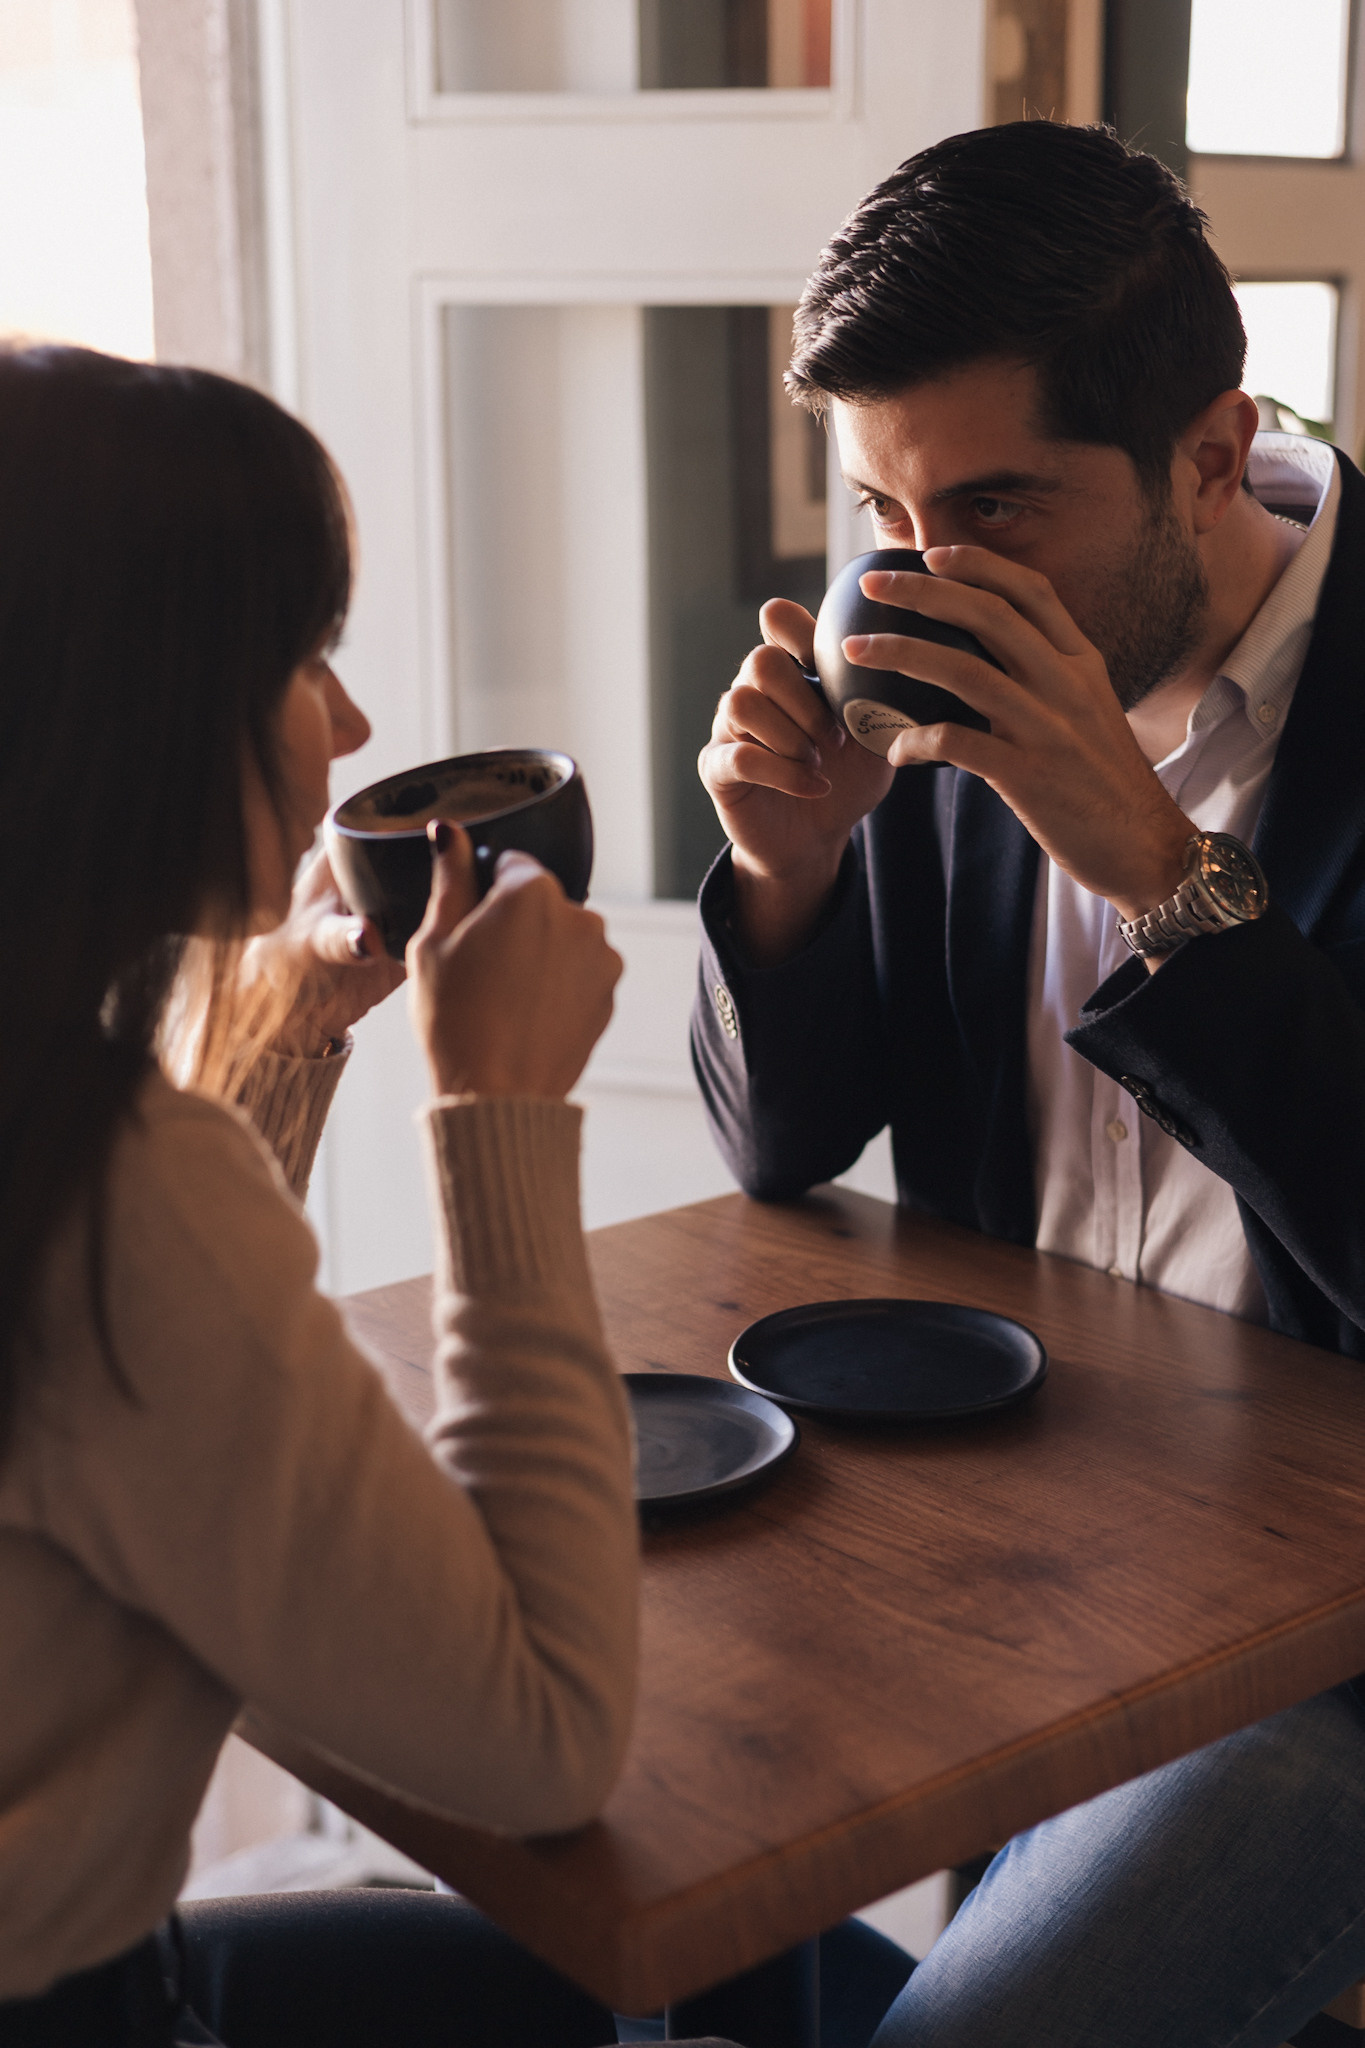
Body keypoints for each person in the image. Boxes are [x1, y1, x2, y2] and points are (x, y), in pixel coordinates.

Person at [691, 121, 1365, 2046]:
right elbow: (789, 1145)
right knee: (649, 1840)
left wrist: (1156, 864)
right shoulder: (924, 673)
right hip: (1011, 1531)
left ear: (1212, 454)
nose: (921, 581)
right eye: (883, 518)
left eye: (996, 511)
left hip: (1324, 1651)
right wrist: (790, 870)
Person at [0, 343, 639, 2048]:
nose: (350, 728)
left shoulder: (69, 1147)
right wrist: (495, 1111)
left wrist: (278, 1039)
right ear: (123, 701)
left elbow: (127, 1409)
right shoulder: (118, 1203)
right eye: (300, 659)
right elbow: (545, 1738)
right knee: (638, 1979)